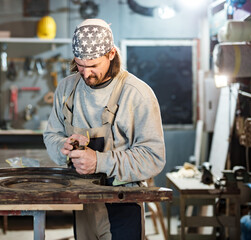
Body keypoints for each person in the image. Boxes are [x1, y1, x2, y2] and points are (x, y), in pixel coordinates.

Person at [43, 18, 165, 240]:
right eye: (80, 65)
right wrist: (63, 147)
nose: (86, 73)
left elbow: (153, 158)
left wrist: (99, 162)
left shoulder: (137, 94)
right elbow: (51, 135)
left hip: (123, 202)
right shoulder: (66, 89)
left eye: (93, 66)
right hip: (82, 202)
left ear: (111, 54)